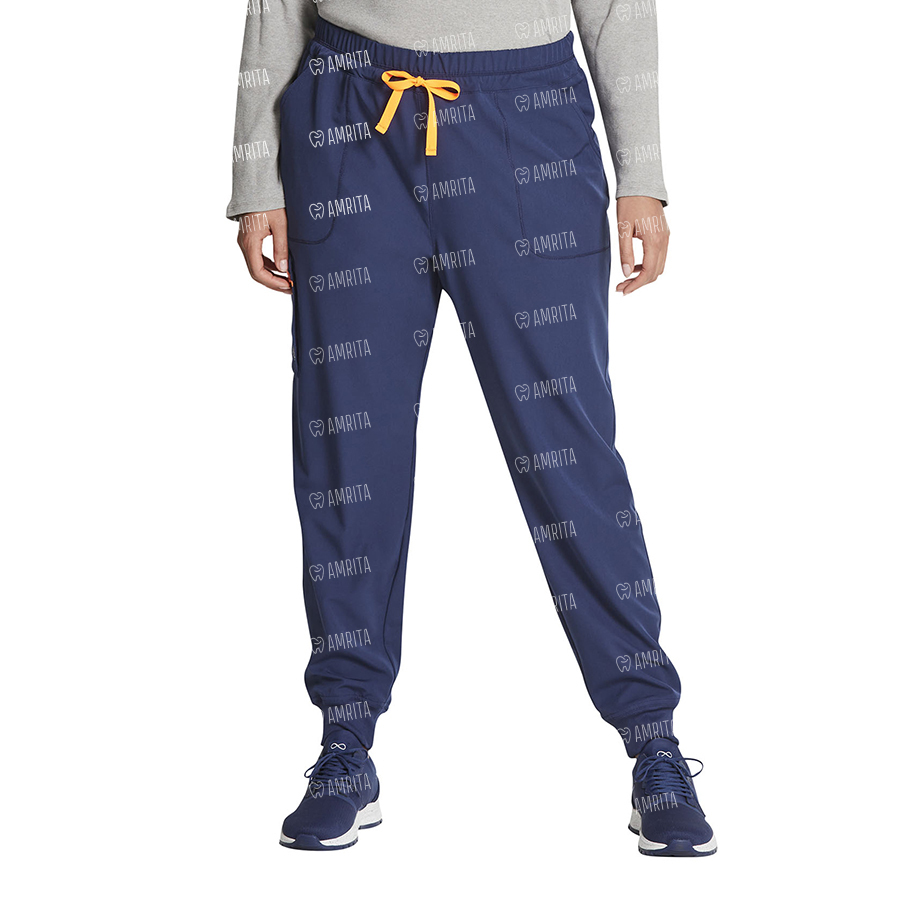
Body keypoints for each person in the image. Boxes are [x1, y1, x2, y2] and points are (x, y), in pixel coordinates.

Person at [228, 1, 716, 857]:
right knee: (347, 447)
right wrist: (256, 175)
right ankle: (345, 742)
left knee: (567, 448)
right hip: (349, 115)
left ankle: (652, 740)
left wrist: (642, 170)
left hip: (524, 122)